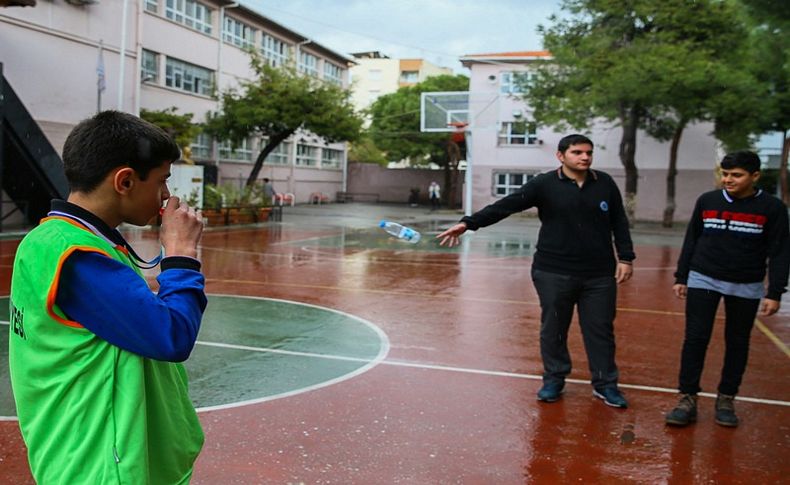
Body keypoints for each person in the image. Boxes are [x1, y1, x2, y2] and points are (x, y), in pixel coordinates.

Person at [8, 111, 207, 483]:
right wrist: (181, 255)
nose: (166, 195)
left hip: (89, 452)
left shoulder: (54, 239)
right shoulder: (78, 257)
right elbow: (171, 335)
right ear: (126, 181)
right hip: (101, 463)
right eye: (162, 181)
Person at [437, 134, 635, 408]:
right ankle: (553, 379)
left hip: (599, 275)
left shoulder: (605, 183)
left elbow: (619, 221)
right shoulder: (544, 184)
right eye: (577, 152)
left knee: (600, 330)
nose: (585, 157)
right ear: (561, 156)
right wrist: (468, 224)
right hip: (553, 272)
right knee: (553, 328)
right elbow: (506, 206)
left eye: (588, 153)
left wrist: (626, 256)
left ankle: (605, 385)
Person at [665, 150, 789, 428]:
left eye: (736, 175)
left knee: (737, 342)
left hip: (746, 283)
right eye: (725, 174)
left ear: (754, 176)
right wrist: (681, 276)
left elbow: (780, 252)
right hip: (703, 278)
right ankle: (687, 398)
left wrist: (775, 292)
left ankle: (726, 398)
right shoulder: (707, 201)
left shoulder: (772, 208)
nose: (728, 179)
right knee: (696, 338)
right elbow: (692, 239)